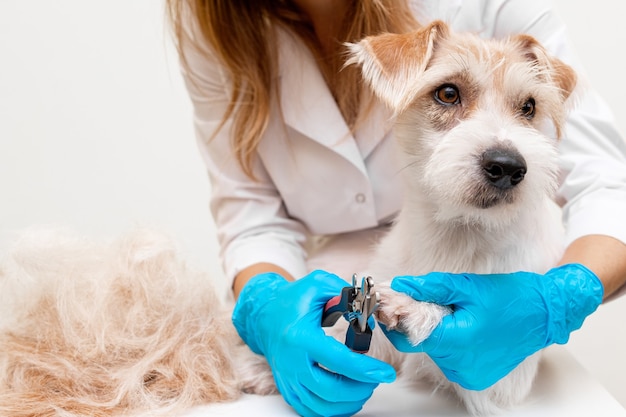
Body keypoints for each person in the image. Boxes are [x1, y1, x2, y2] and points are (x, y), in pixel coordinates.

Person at [166, 0, 626, 416]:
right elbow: (250, 214)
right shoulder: (219, 32)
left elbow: (607, 181)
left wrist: (563, 296)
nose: (504, 150)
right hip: (342, 267)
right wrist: (268, 307)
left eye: (526, 108)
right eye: (450, 95)